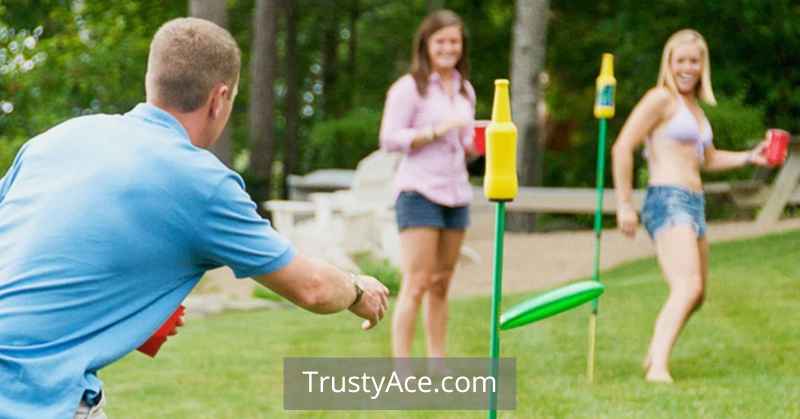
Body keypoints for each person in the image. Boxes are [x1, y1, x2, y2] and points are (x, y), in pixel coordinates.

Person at [0, 17, 389, 419]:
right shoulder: (202, 182)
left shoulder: (56, 140)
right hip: (35, 400)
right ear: (219, 99)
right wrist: (358, 290)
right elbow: (313, 287)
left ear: (151, 81)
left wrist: (127, 310)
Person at [611, 29, 768, 383]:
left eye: (694, 61)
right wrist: (624, 204)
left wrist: (749, 156)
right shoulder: (660, 99)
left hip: (694, 203)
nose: (687, 67)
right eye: (680, 60)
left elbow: (707, 160)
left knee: (697, 295)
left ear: (702, 65)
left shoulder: (694, 109)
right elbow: (622, 147)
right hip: (667, 198)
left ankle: (655, 354)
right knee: (688, 287)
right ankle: (658, 365)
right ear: (669, 62)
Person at [379, 10, 476, 370]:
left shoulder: (466, 90)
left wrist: (478, 143)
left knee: (441, 283)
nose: (449, 47)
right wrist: (436, 130)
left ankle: (438, 362)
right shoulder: (409, 88)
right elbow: (389, 138)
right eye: (441, 41)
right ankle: (402, 368)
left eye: (454, 41)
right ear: (426, 45)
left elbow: (465, 142)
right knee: (417, 281)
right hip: (419, 191)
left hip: (457, 194)